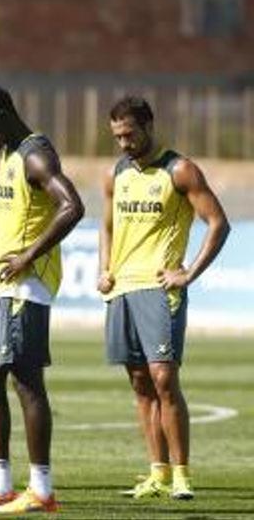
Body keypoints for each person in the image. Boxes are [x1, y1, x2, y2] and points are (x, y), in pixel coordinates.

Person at [0, 83, 84, 514]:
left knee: (26, 383)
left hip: (26, 289)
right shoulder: (9, 155)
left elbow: (72, 206)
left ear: (5, 113)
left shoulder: (34, 153)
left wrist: (28, 255)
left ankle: (41, 489)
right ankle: (0, 484)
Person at [99, 96, 228, 501]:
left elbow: (218, 223)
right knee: (140, 383)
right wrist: (105, 268)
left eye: (130, 134)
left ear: (149, 125)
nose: (124, 143)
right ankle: (156, 473)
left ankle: (182, 475)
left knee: (164, 379)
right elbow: (105, 227)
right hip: (122, 291)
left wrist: (188, 272)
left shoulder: (180, 170)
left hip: (159, 290)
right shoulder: (115, 174)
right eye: (118, 136)